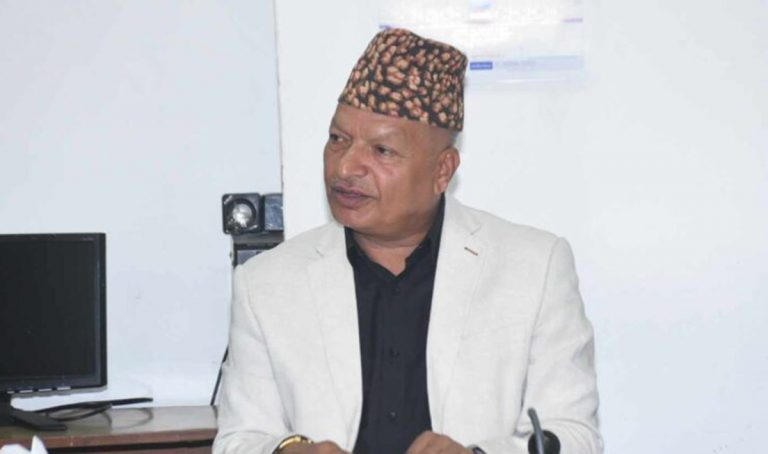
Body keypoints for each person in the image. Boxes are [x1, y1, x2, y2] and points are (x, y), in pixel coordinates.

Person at [213, 28, 602, 454]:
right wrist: (287, 450)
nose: (345, 168)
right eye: (338, 140)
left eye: (382, 151)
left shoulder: (533, 267)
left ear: (442, 171)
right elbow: (239, 439)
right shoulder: (266, 284)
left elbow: (574, 436)